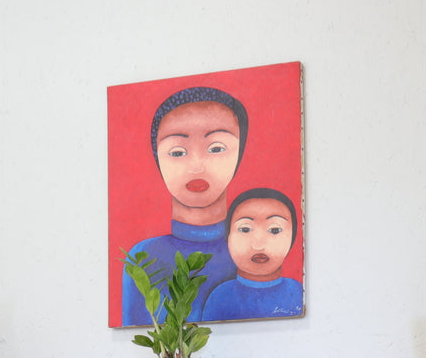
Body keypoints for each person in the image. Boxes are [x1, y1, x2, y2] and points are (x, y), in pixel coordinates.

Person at [122, 87, 249, 326]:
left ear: (239, 154)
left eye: (216, 148)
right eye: (178, 152)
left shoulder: (251, 251)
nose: (196, 166)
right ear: (158, 159)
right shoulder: (143, 258)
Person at [202, 188, 304, 321]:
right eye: (245, 229)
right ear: (228, 236)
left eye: (274, 230)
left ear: (293, 237)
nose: (258, 245)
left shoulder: (297, 292)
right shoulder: (220, 297)